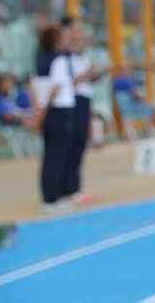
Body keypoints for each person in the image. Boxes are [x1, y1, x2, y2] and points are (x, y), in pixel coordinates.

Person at [31, 25, 77, 214]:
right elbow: (56, 88)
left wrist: (39, 111)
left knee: (50, 156)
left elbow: (34, 88)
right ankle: (52, 199)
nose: (67, 41)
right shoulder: (59, 60)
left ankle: (49, 197)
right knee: (57, 156)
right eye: (63, 38)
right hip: (59, 110)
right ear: (56, 41)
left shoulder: (40, 60)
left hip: (49, 111)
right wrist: (43, 111)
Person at [61, 16, 104, 206]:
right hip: (73, 101)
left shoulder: (80, 54)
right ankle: (69, 188)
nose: (79, 34)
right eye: (75, 30)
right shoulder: (64, 56)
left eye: (80, 30)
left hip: (84, 99)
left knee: (80, 144)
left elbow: (86, 79)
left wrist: (95, 74)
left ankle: (75, 186)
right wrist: (86, 74)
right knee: (71, 144)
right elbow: (67, 83)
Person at [113, 58, 155, 134]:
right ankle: (154, 129)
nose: (131, 70)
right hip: (132, 108)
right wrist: (149, 102)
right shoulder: (126, 80)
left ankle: (151, 129)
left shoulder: (117, 80)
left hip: (125, 109)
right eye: (129, 67)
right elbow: (137, 95)